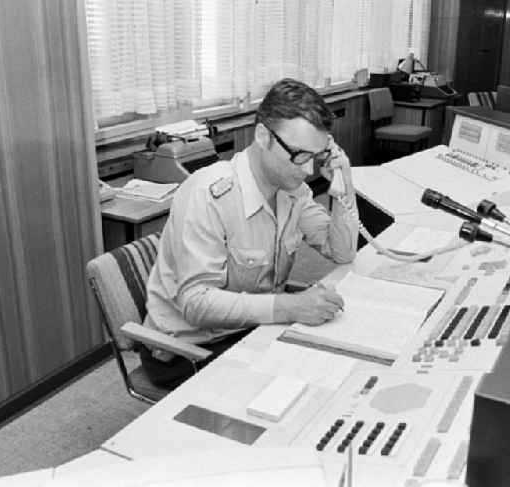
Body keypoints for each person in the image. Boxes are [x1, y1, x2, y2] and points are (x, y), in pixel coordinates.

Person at [141, 78, 360, 388]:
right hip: (190, 348)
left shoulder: (292, 190)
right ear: (262, 136)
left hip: (252, 328)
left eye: (317, 156)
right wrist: (291, 307)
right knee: (304, 386)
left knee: (335, 366)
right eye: (300, 155)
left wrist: (343, 183)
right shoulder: (208, 195)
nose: (309, 170)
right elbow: (196, 303)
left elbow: (342, 252)